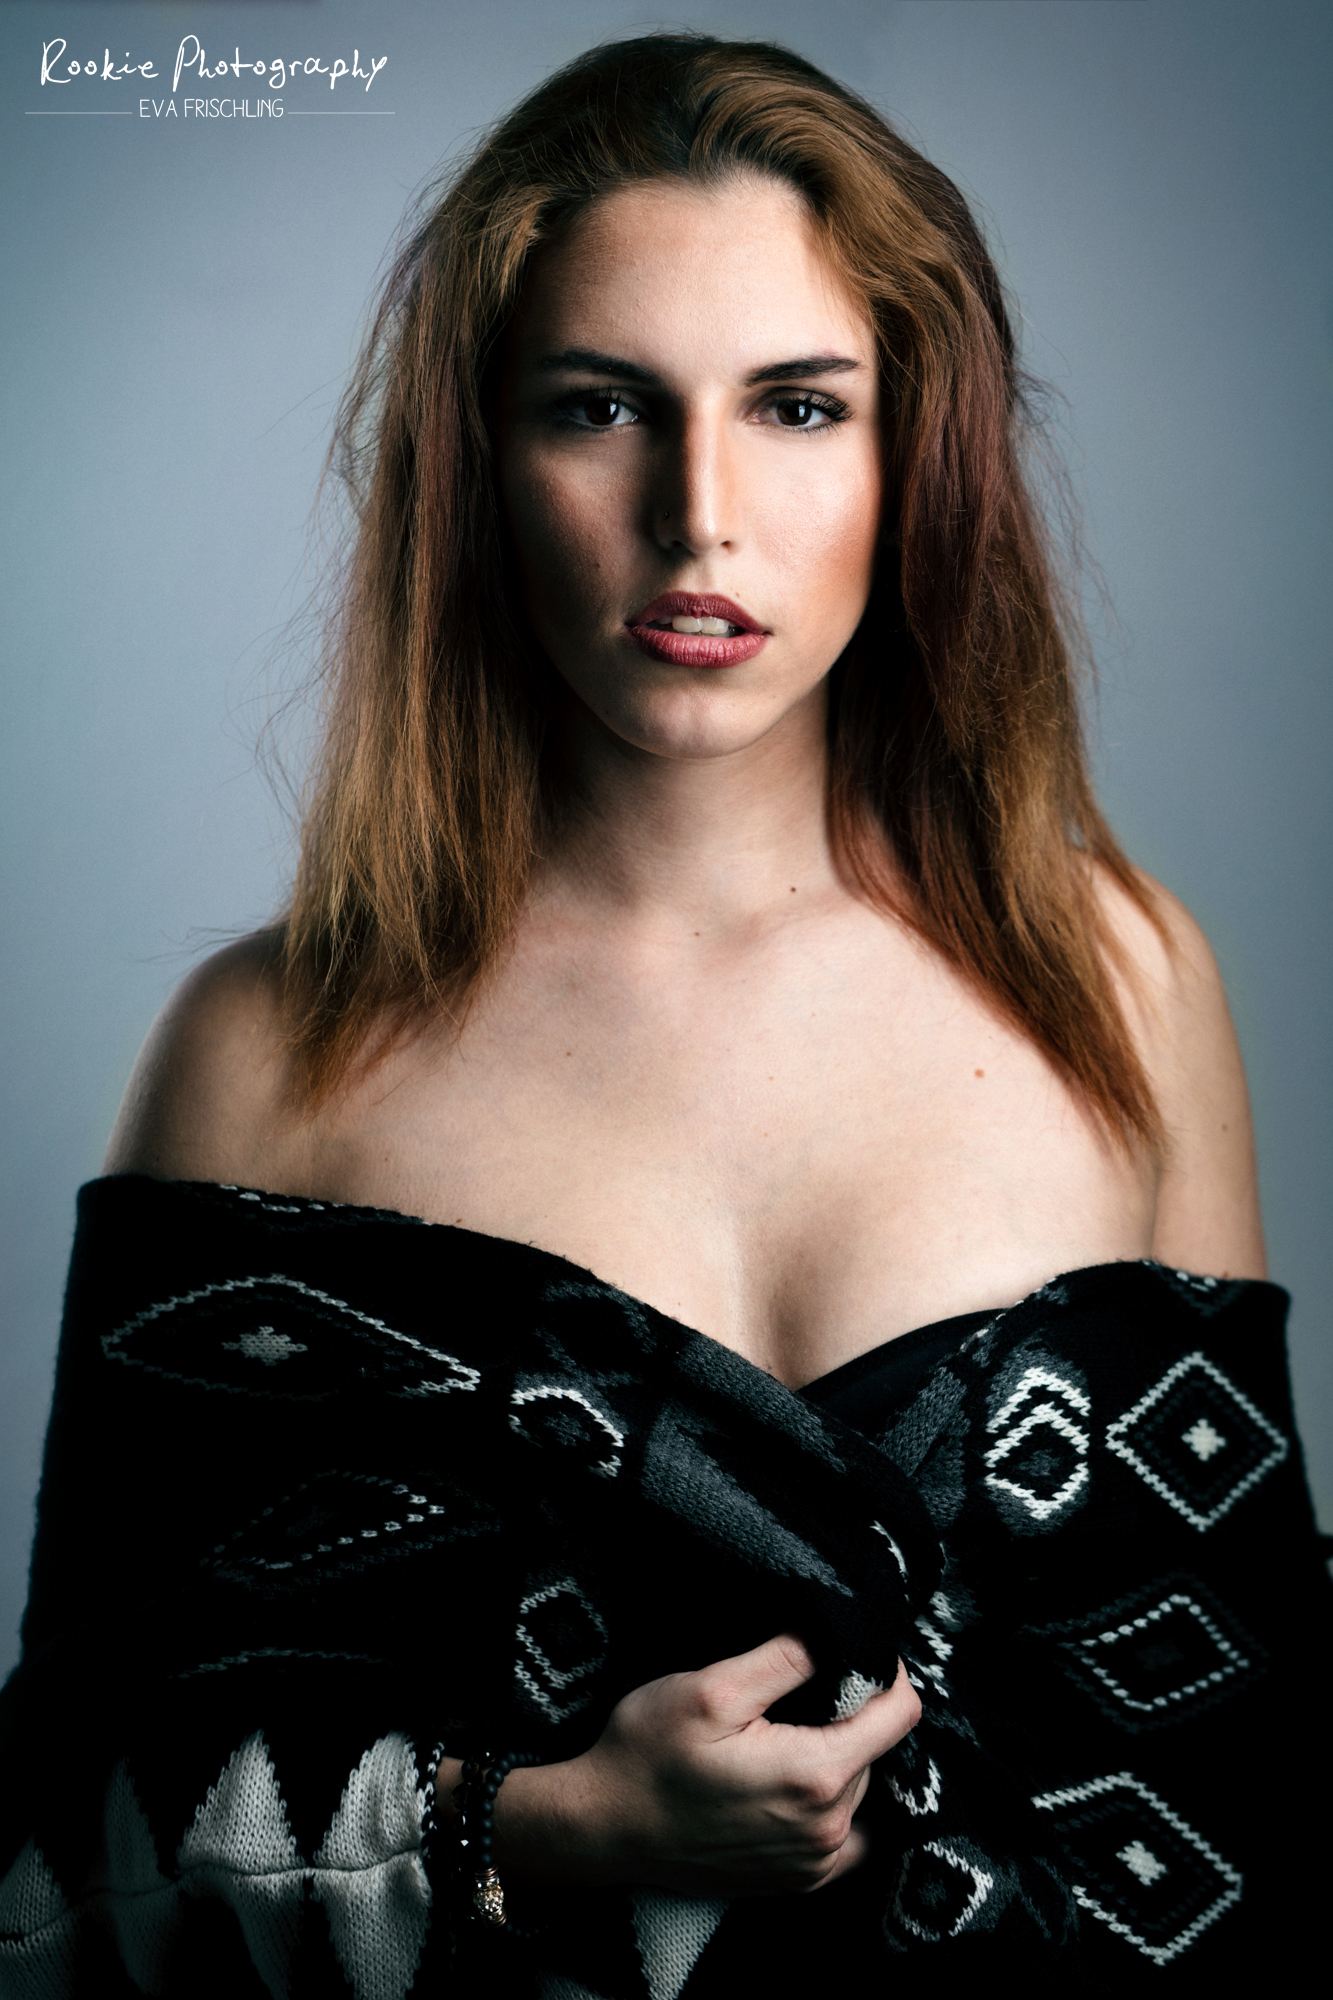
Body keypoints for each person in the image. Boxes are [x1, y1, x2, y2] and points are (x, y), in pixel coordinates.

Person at [2, 32, 1327, 2000]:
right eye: (600, 407)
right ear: (479, 463)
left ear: (912, 458)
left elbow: (1262, 1744)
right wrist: (530, 1826)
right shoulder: (265, 1051)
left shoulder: (1122, 979)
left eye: (797, 405)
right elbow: (58, 1848)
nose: (698, 512)